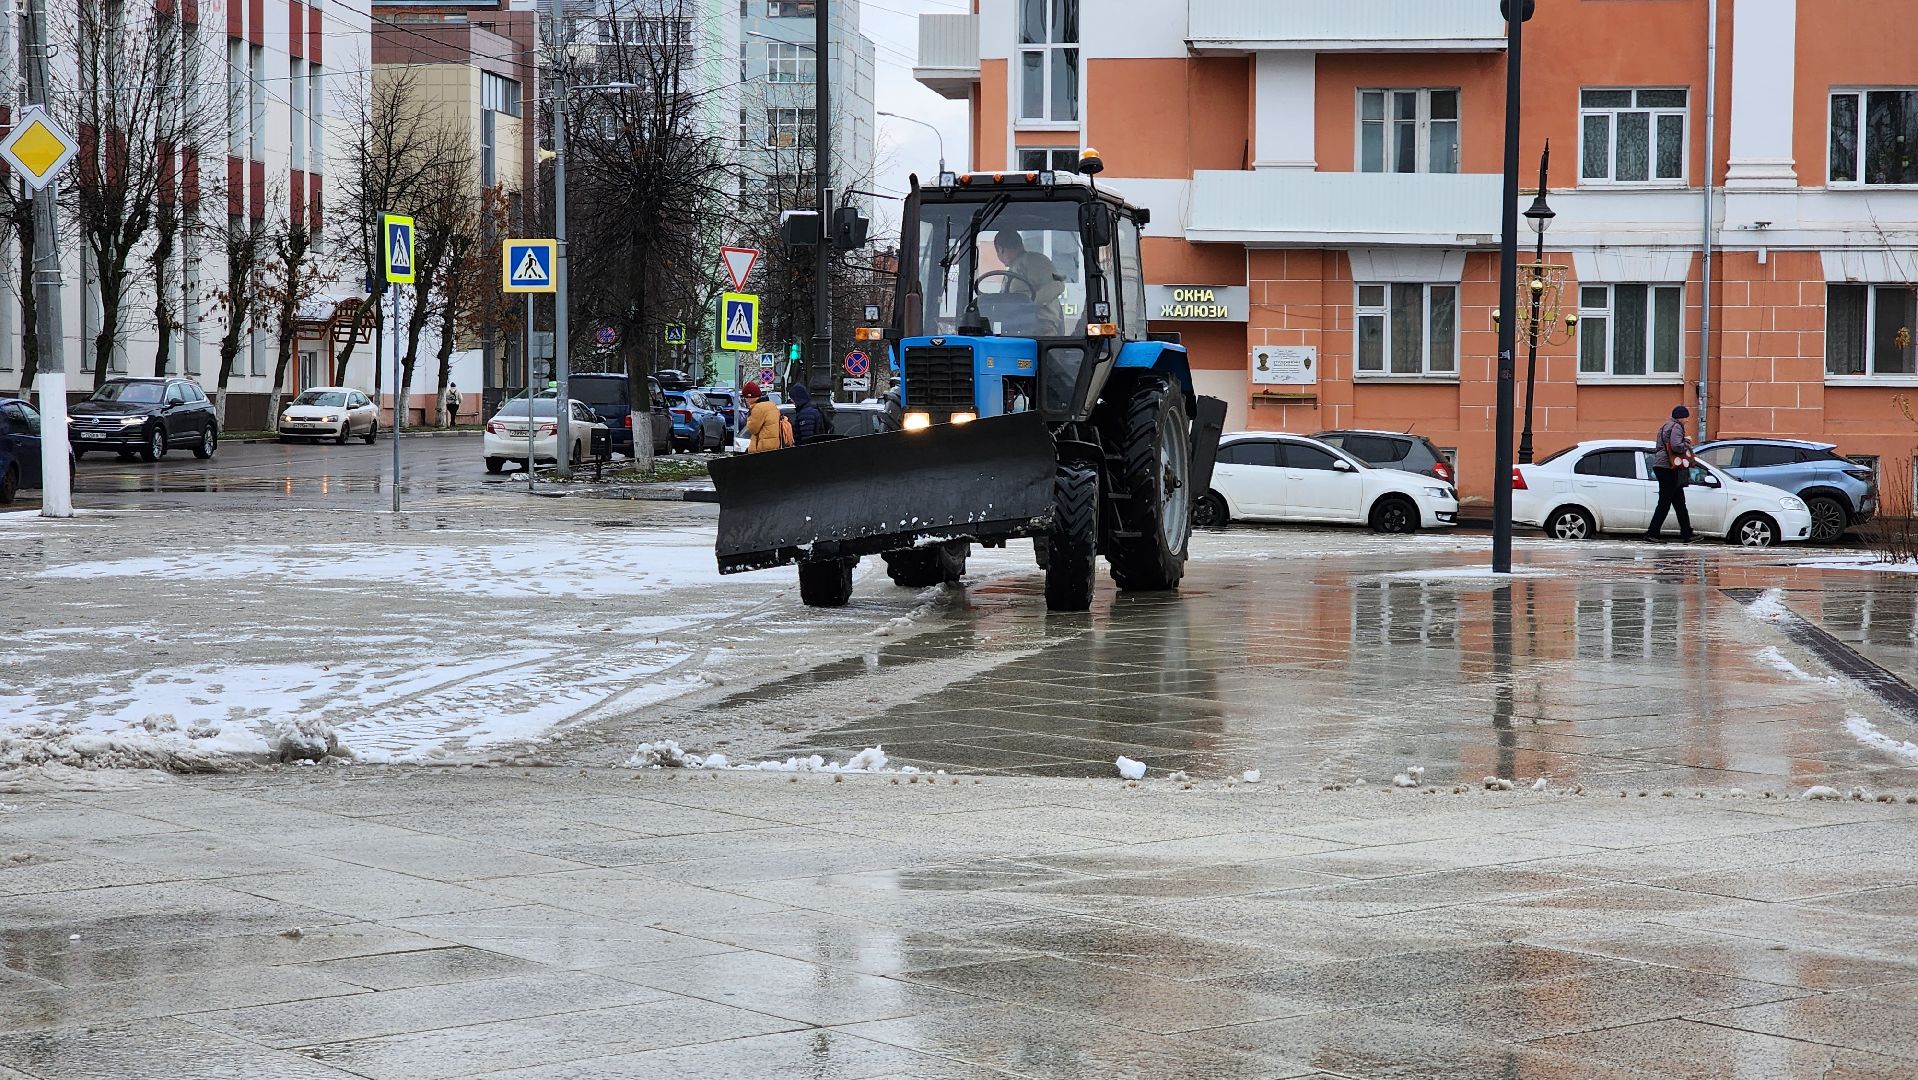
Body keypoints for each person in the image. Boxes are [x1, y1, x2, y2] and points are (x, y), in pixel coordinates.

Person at [991, 230, 1066, 336]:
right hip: (1016, 327)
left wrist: (1028, 306)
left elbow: (1056, 286)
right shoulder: (1013, 269)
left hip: (1041, 328)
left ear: (1000, 249)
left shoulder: (1034, 260)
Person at [1647, 404, 1696, 543]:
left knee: (1679, 501)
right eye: (1686, 417)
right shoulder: (1676, 427)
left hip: (1662, 465)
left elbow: (1660, 446)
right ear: (1680, 417)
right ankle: (1652, 533)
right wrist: (1687, 442)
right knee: (1665, 501)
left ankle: (1687, 533)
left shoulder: (1665, 426)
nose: (1687, 420)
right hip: (1668, 467)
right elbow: (1675, 446)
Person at [743, 382, 783, 454]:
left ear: (750, 397)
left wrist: (749, 418)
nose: (746, 400)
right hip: (775, 445)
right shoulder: (771, 405)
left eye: (746, 398)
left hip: (762, 447)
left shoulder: (758, 408)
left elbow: (753, 429)